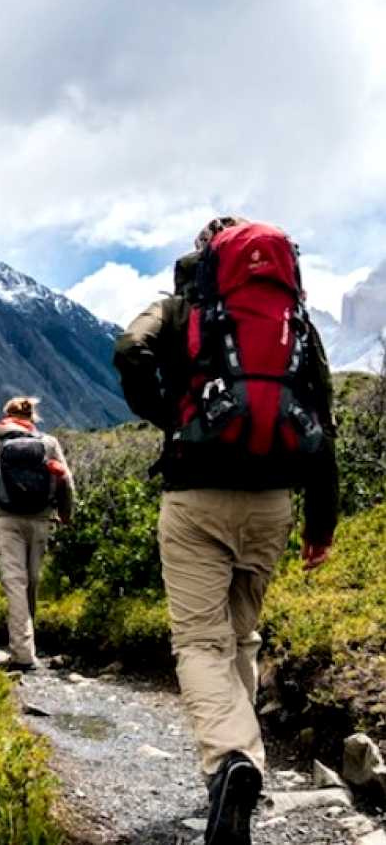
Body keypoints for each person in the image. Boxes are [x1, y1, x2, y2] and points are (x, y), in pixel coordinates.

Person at [113, 217, 338, 845]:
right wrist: (321, 521)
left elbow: (130, 350)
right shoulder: (293, 321)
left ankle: (230, 761)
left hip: (196, 495)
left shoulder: (181, 308)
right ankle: (244, 767)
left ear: (205, 258)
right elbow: (321, 417)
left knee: (200, 643)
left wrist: (172, 414)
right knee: (241, 636)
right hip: (273, 502)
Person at [0, 396, 75, 671]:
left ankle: (23, 654)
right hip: (41, 521)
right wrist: (66, 515)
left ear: (6, 415)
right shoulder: (48, 443)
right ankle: (27, 646)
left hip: (5, 521)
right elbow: (66, 481)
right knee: (32, 581)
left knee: (14, 583)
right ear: (33, 417)